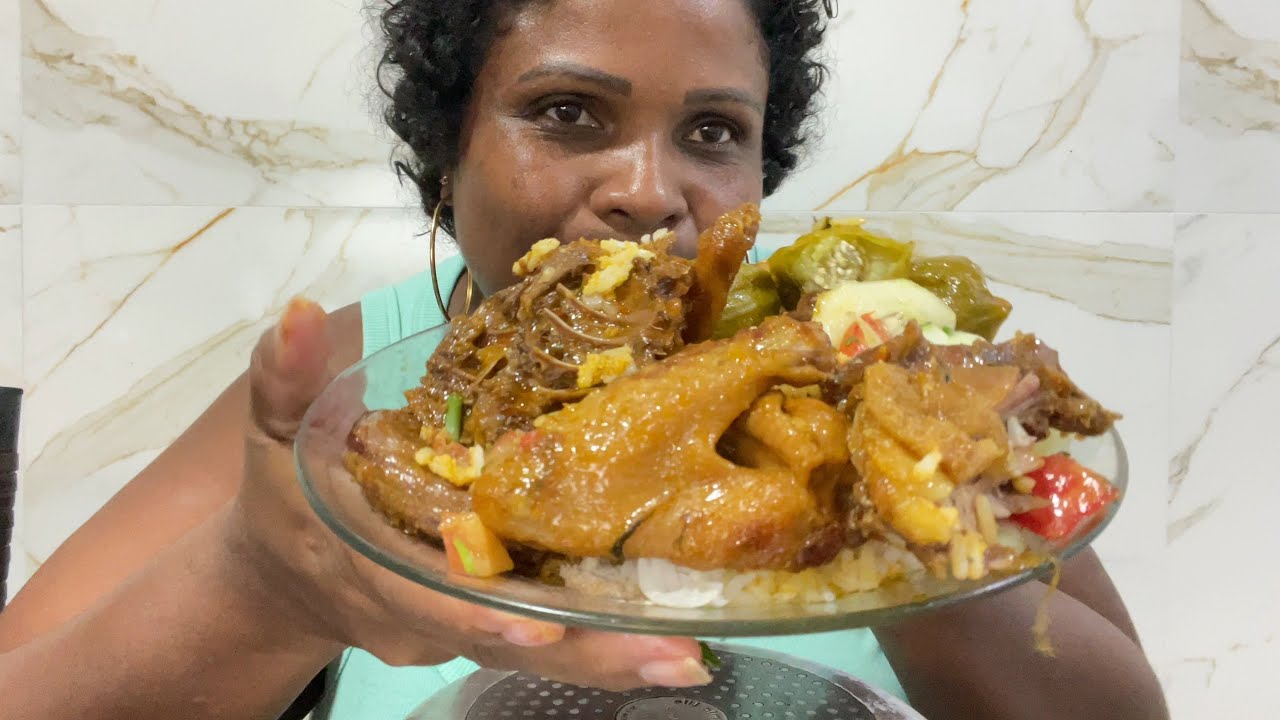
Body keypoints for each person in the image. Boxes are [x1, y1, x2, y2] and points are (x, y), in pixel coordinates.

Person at [0, 1, 1169, 719]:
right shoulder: (359, 387)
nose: (650, 191)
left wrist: (902, 535)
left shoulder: (866, 374)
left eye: (713, 132)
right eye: (565, 112)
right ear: (441, 157)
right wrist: (262, 590)